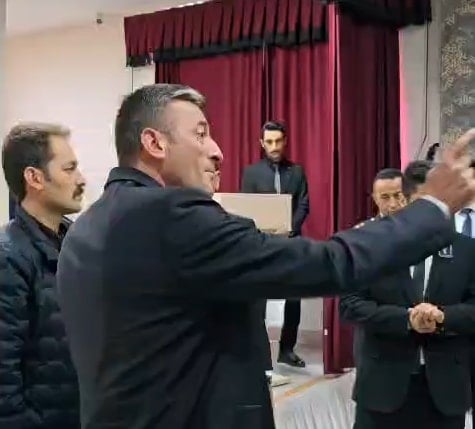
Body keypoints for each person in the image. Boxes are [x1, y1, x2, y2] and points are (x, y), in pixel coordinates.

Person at [56, 83, 475, 429]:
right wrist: (432, 207)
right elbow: (329, 263)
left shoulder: (85, 229)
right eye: (200, 134)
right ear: (154, 142)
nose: (217, 150)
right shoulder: (172, 215)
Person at [340, 159, 475, 429]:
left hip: (445, 391)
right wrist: (406, 319)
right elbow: (350, 305)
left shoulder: (467, 250)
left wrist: (443, 317)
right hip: (382, 387)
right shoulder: (370, 244)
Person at [0, 123, 85, 429]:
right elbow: (4, 378)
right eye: (69, 169)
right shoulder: (9, 258)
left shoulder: (80, 245)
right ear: (34, 178)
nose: (81, 179)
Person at [241, 121, 309, 367]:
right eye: (269, 142)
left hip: (291, 242)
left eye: (278, 141)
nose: (274, 146)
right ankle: (258, 350)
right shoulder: (251, 173)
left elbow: (304, 204)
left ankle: (287, 350)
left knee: (294, 297)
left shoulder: (297, 172)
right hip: (262, 243)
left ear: (285, 141)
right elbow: (247, 207)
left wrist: (290, 228)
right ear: (262, 143)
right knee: (259, 298)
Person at [352, 168, 407, 365]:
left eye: (398, 195)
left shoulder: (427, 233)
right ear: (375, 199)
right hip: (377, 342)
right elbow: (353, 302)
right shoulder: (361, 237)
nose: (393, 203)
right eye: (385, 197)